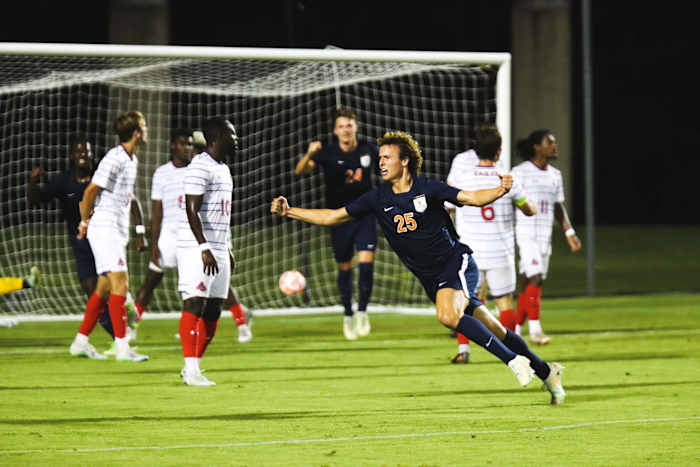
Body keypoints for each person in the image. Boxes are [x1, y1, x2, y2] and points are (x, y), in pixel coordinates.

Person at [272, 131, 566, 405]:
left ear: (405, 160)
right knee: (496, 329)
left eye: (387, 157)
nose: (381, 163)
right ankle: (546, 371)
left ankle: (514, 361)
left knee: (447, 315)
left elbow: (472, 198)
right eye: (380, 158)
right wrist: (290, 211)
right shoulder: (378, 198)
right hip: (431, 278)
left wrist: (500, 190)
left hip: (457, 262)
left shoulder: (430, 188)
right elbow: (332, 217)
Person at [445, 124, 537, 363]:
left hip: (470, 253)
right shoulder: (508, 180)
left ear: (476, 150)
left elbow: (447, 207)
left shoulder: (462, 178)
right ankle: (516, 351)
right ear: (498, 151)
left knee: (465, 303)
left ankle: (464, 352)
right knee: (504, 302)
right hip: (500, 251)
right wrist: (526, 201)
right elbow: (530, 210)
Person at [69, 111, 149, 362]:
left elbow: (127, 198)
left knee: (104, 288)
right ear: (136, 132)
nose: (146, 131)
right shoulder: (114, 158)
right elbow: (91, 191)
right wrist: (85, 221)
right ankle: (123, 348)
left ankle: (80, 342)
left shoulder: (131, 159)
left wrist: (138, 230)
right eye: (144, 126)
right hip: (104, 228)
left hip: (116, 229)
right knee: (120, 284)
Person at [294, 108, 378, 340]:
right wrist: (310, 153)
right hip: (339, 217)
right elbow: (300, 171)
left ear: (356, 127)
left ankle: (362, 310)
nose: (345, 130)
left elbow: (386, 167)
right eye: (341, 126)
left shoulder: (369, 149)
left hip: (365, 215)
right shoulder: (328, 153)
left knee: (366, 264)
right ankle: (348, 314)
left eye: (349, 125)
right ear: (335, 130)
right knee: (345, 267)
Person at [176, 117, 239, 386]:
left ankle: (194, 366)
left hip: (219, 246)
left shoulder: (223, 169)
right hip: (196, 246)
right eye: (231, 135)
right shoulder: (199, 167)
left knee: (214, 310)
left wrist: (227, 247)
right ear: (215, 139)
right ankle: (191, 371)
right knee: (194, 302)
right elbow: (192, 210)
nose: (235, 139)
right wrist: (203, 246)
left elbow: (222, 214)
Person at [512, 130, 582, 345]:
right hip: (526, 233)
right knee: (536, 277)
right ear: (536, 147)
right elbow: (510, 199)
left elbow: (558, 206)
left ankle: (513, 330)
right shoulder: (520, 172)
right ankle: (535, 331)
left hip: (544, 236)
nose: (554, 146)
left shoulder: (555, 175)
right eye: (549, 142)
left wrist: (569, 232)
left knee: (529, 282)